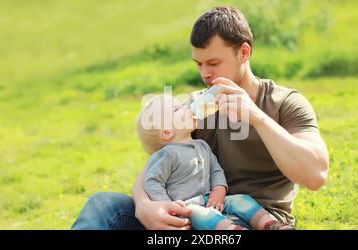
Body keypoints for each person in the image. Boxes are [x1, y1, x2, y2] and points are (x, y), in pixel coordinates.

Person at [71, 6, 329, 230]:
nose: (205, 74)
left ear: (244, 52)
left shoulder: (284, 103)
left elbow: (315, 175)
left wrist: (256, 117)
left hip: (254, 219)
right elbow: (156, 162)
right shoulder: (197, 106)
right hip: (193, 214)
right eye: (199, 64)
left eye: (213, 63)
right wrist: (144, 206)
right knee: (103, 205)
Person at [136, 95, 293, 230]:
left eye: (183, 104)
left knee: (241, 200)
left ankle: (270, 224)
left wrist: (219, 190)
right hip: (187, 207)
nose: (186, 107)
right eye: (177, 109)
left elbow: (215, 171)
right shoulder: (166, 155)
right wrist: (167, 205)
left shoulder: (202, 146)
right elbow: (153, 181)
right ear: (167, 132)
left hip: (209, 199)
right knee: (203, 215)